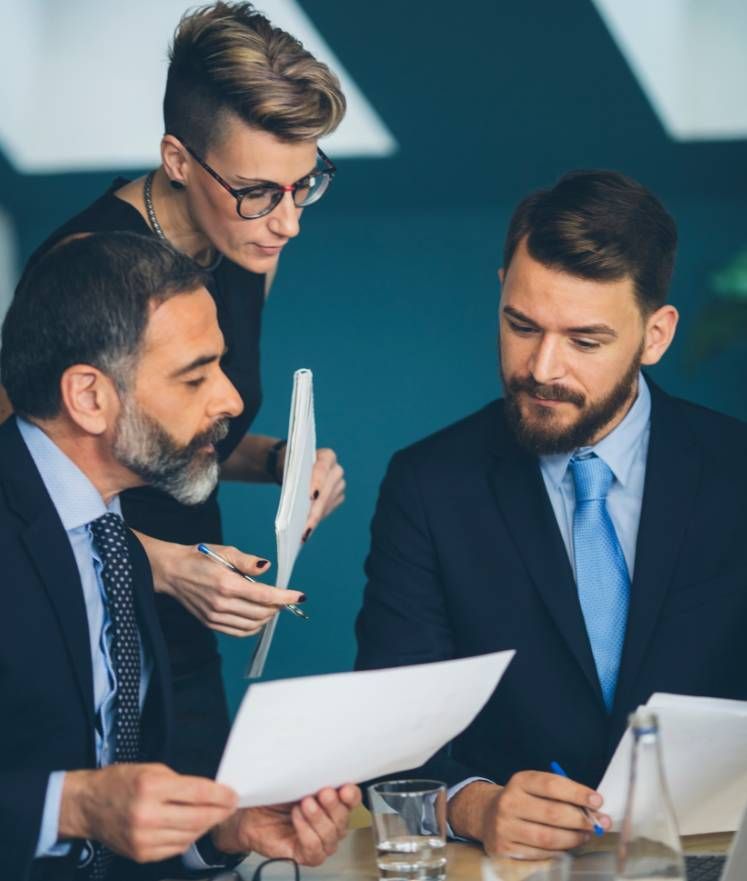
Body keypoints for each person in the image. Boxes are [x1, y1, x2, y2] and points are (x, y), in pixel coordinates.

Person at [0, 1, 348, 781]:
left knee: (197, 840)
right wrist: (152, 563)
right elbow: (14, 482)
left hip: (193, 606)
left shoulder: (250, 239)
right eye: (260, 191)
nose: (286, 221)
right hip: (73, 608)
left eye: (305, 186)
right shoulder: (84, 271)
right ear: (179, 158)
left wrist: (280, 463)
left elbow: (175, 430)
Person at [355, 170, 747, 858]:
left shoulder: (736, 470)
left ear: (655, 335)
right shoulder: (427, 484)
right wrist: (475, 805)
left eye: (584, 341)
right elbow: (386, 746)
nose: (541, 367)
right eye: (520, 324)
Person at [0, 232, 359, 881]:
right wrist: (73, 803)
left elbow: (121, 830)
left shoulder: (111, 534)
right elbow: (86, 810)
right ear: (88, 396)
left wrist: (221, 832)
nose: (228, 400)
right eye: (195, 375)